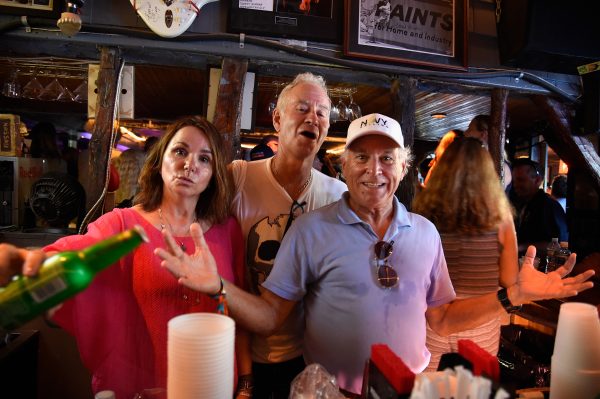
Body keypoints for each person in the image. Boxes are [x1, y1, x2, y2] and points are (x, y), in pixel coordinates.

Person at [157, 113, 594, 396]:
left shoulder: (425, 233)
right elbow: (271, 316)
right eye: (361, 157)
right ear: (343, 166)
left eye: (387, 158)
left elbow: (441, 319)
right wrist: (218, 286)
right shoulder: (311, 230)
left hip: (412, 387)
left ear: (404, 167)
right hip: (330, 392)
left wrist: (510, 295)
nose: (374, 170)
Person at [2, 116, 252, 399]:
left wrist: (245, 383)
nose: (189, 164)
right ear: (158, 163)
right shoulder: (123, 226)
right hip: (139, 388)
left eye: (204, 159)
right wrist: (24, 260)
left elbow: (237, 312)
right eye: (180, 151)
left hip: (212, 387)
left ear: (213, 175)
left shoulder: (227, 230)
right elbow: (74, 254)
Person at [228, 72, 347, 398]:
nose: (314, 117)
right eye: (303, 108)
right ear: (277, 119)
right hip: (239, 353)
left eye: (322, 112)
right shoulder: (238, 178)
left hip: (309, 358)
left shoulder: (339, 196)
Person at [413, 137, 519, 371]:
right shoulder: (500, 218)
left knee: (428, 393)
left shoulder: (423, 214)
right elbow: (510, 280)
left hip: (431, 327)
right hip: (480, 327)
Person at [508, 158, 568, 256]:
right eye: (513, 181)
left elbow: (560, 245)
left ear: (537, 180)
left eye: (521, 180)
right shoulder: (522, 203)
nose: (515, 185)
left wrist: (520, 247)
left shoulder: (550, 206)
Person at [464, 114, 512, 189]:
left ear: (483, 134)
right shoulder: (478, 162)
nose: (465, 133)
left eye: (470, 129)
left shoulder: (501, 166)